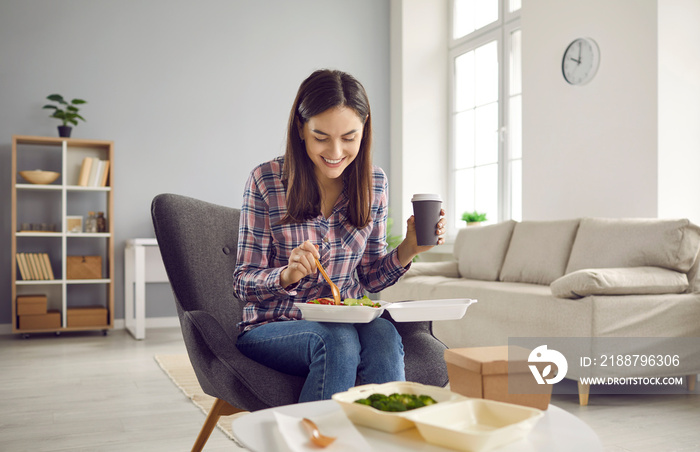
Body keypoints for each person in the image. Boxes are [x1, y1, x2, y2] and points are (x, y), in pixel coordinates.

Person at [233, 69, 445, 402]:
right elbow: (242, 283)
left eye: (349, 137)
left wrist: (408, 249)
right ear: (301, 129)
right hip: (271, 325)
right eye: (321, 137)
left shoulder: (374, 183)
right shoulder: (266, 180)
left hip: (350, 317)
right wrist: (286, 275)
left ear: (364, 130)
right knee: (336, 340)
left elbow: (369, 278)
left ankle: (388, 438)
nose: (335, 151)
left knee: (384, 337)